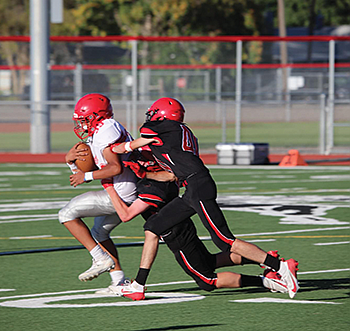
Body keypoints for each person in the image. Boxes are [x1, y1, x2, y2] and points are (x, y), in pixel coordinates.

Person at [112, 97, 299, 300]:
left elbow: (131, 145)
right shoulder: (181, 133)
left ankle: (280, 266)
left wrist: (110, 150)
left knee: (225, 240)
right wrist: (143, 172)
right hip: (192, 187)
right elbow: (172, 174)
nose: (150, 117)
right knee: (153, 227)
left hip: (197, 186)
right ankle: (138, 285)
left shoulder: (162, 128)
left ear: (162, 114)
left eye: (154, 113)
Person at [101, 158, 288, 300]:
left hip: (175, 233)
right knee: (208, 261)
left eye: (140, 161)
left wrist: (109, 186)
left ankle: (270, 281)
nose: (135, 164)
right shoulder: (159, 177)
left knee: (206, 281)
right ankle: (266, 260)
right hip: (180, 225)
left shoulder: (153, 186)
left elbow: (126, 215)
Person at [58, 93, 137, 288]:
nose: (81, 125)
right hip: (126, 191)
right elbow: (95, 168)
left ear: (97, 116)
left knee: (66, 213)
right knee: (99, 233)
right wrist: (71, 163)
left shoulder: (106, 130)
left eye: (84, 120)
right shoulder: (100, 131)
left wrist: (84, 176)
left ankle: (99, 259)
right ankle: (118, 281)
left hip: (122, 192)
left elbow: (114, 168)